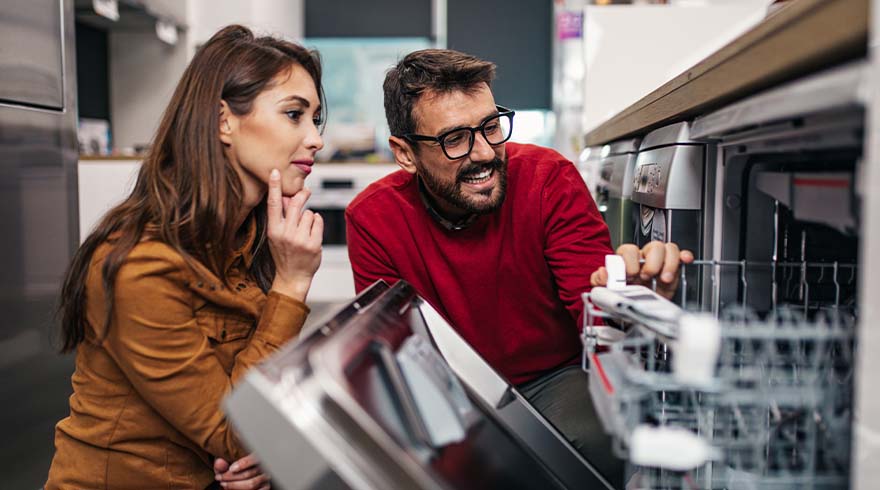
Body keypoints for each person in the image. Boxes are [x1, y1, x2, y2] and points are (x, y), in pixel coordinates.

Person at [345, 49, 692, 488]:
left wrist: (631, 302)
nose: (485, 153)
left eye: (491, 127)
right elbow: (393, 354)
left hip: (552, 378)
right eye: (455, 139)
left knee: (601, 437)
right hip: (450, 389)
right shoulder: (373, 218)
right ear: (405, 153)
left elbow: (595, 310)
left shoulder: (549, 179)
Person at [46, 25, 325, 490]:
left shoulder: (250, 240)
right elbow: (236, 429)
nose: (315, 138)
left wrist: (261, 453)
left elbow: (251, 410)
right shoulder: (140, 264)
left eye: (315, 119)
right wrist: (292, 284)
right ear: (223, 121)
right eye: (294, 114)